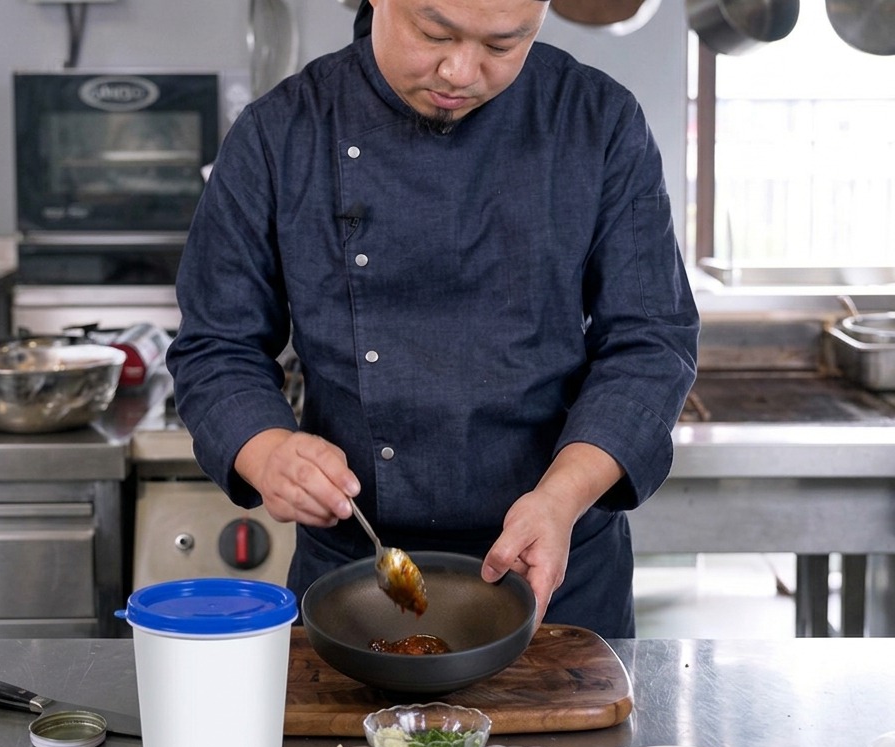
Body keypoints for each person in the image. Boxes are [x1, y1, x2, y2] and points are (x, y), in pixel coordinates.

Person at [166, 0, 699, 638]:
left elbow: (651, 342)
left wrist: (560, 500)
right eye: (434, 33)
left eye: (503, 46)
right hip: (358, 574)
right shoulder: (281, 132)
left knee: (569, 743)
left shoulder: (598, 122)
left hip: (557, 570)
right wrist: (267, 449)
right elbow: (216, 347)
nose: (460, 71)